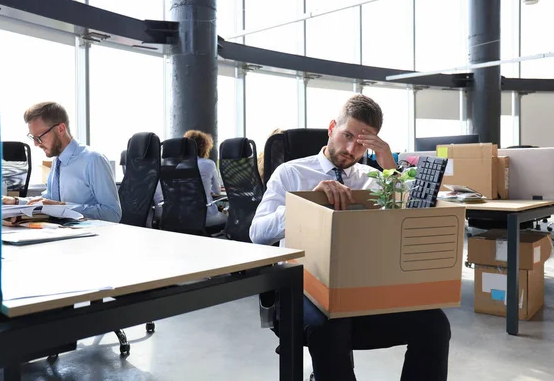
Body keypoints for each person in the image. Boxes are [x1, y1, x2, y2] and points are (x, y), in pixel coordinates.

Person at [249, 94, 450, 381]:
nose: (352, 148)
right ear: (332, 127)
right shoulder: (291, 173)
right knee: (330, 326)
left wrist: (389, 167)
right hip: (306, 286)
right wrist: (311, 202)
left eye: (363, 143)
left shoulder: (373, 178)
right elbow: (257, 233)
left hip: (361, 286)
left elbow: (408, 225)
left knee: (434, 324)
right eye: (347, 135)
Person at [2, 102, 122, 223]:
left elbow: (113, 214)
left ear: (61, 129)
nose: (36, 144)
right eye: (33, 138)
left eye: (39, 137)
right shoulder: (57, 161)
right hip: (63, 233)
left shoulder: (93, 160)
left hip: (90, 237)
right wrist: (17, 201)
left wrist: (61, 206)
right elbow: (48, 201)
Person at [183, 130, 227, 227]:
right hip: (206, 217)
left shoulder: (180, 166)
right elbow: (217, 191)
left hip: (184, 217)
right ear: (204, 147)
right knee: (227, 217)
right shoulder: (209, 164)